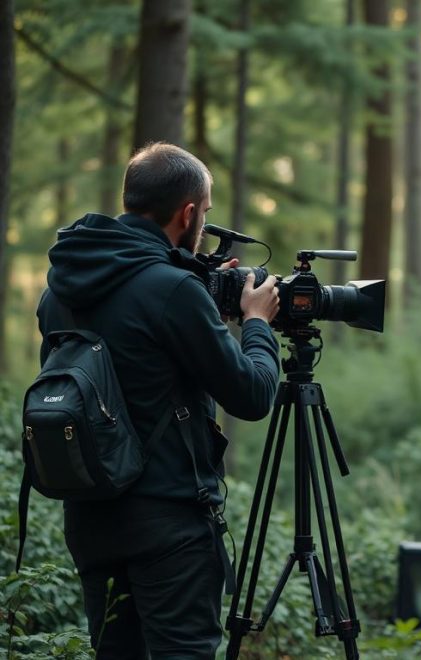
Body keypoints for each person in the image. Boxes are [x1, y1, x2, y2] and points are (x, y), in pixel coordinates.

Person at [36, 142, 282, 658]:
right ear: (189, 212)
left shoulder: (60, 289)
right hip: (168, 524)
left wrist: (193, 282)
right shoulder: (171, 291)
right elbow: (254, 394)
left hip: (90, 516)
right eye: (206, 213)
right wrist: (257, 321)